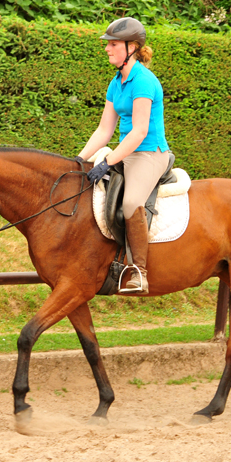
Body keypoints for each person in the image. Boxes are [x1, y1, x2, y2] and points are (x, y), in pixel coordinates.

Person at [75, 17, 171, 295]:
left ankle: (139, 271)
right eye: (108, 44)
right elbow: (104, 129)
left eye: (113, 44)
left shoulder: (143, 81)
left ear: (131, 47)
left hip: (149, 154)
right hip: (125, 151)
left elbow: (140, 132)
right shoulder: (116, 82)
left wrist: (108, 161)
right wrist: (80, 160)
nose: (107, 49)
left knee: (130, 203)